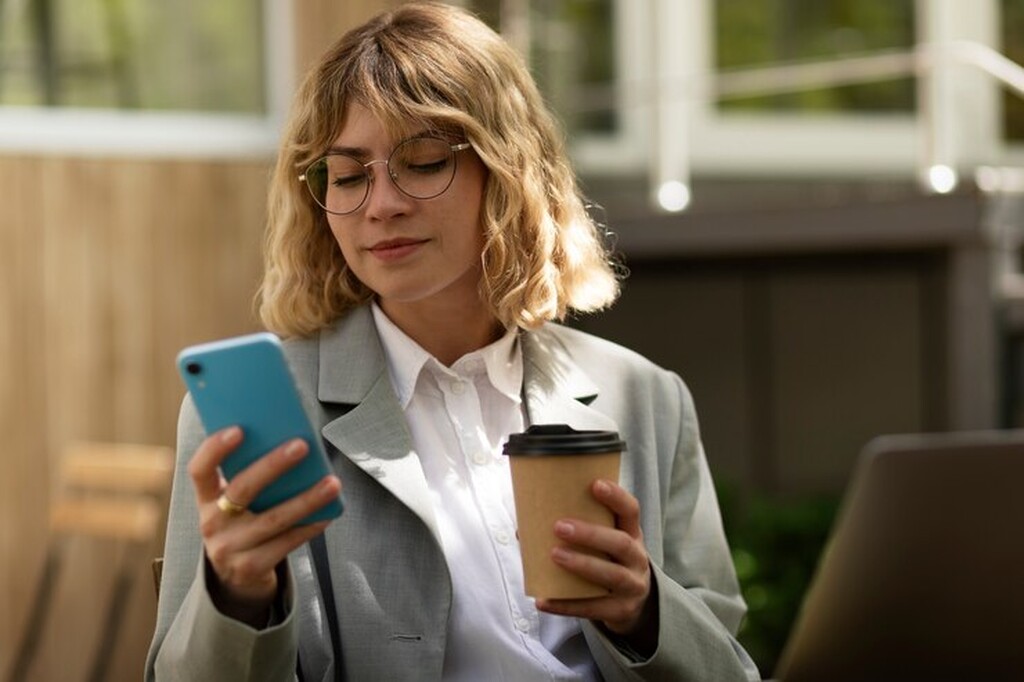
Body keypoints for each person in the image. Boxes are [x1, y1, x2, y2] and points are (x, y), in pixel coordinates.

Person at [146, 3, 760, 681]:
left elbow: (728, 666)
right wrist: (237, 598)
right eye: (348, 177)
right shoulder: (254, 415)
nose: (381, 204)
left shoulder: (647, 398)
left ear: (508, 173)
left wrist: (643, 611)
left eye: (424, 161)